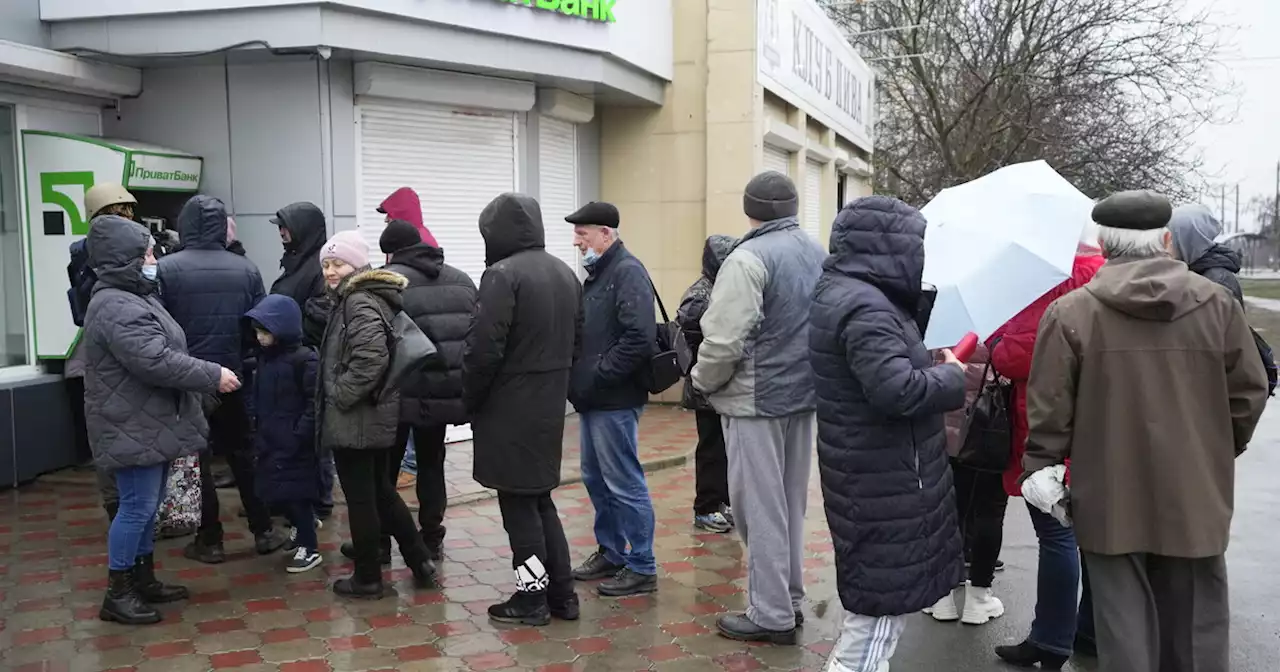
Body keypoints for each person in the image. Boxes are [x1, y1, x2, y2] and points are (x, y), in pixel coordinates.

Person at [1022, 190, 1269, 672]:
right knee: (1197, 628)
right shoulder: (1217, 306)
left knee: (1123, 630)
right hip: (1196, 492)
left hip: (1108, 495)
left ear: (1104, 243)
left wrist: (1044, 469)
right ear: (1164, 239)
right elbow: (1248, 394)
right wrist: (1214, 450)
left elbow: (1050, 413)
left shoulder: (1072, 314)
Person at [808, 196, 967, 670]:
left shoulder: (849, 293)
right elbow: (896, 390)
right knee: (877, 623)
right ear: (889, 248)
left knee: (875, 617)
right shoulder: (866, 307)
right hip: (884, 482)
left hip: (873, 474)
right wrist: (952, 375)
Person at [82, 215, 239, 625]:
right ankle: (119, 592)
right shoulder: (116, 304)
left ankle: (143, 579)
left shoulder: (135, 295)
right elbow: (154, 360)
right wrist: (212, 376)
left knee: (146, 509)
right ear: (124, 259)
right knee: (135, 508)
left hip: (145, 420)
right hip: (131, 424)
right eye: (147, 253)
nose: (154, 259)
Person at [692, 171, 827, 644]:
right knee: (790, 504)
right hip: (803, 395)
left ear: (750, 209)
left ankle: (771, 614)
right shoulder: (816, 252)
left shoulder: (748, 258)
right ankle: (788, 598)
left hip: (755, 399)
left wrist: (701, 381)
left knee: (757, 508)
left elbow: (725, 339)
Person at [988, 219, 1106, 668]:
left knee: (1056, 532)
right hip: (1098, 423)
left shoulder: (1054, 281)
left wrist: (998, 342)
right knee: (1094, 534)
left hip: (1048, 424)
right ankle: (1089, 631)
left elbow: (1023, 354)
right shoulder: (1106, 273)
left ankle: (1051, 640)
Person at [465, 193, 582, 625]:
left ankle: (531, 598)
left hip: (508, 408)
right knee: (539, 501)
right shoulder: (565, 273)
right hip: (549, 406)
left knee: (518, 507)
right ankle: (563, 595)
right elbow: (579, 342)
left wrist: (470, 400)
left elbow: (483, 350)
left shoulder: (501, 276)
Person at [337, 218, 477, 566]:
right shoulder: (461, 280)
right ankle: (431, 540)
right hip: (443, 392)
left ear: (389, 252)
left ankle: (381, 543)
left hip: (397, 393)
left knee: (384, 473)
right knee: (432, 465)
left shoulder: (387, 283)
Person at [159, 195, 284, 564]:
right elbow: (259, 323)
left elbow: (158, 326)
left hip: (185, 379)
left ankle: (210, 538)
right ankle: (262, 530)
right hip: (232, 376)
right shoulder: (244, 268)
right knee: (242, 454)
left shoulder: (166, 269)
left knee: (197, 459)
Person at [315, 231, 437, 598]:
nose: (331, 271)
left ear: (358, 265)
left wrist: (340, 394)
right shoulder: (357, 297)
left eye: (338, 263)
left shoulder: (359, 301)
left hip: (359, 415)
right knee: (382, 493)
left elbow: (370, 359)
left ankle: (368, 578)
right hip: (371, 413)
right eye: (326, 265)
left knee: (362, 499)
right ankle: (419, 559)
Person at [565, 201, 659, 598]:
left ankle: (641, 564)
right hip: (595, 399)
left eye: (582, 233)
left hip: (614, 399)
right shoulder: (600, 273)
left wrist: (598, 375)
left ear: (606, 233)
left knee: (623, 482)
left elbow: (639, 338)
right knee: (596, 478)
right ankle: (612, 551)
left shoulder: (627, 272)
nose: (576, 241)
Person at [68, 182, 140, 522]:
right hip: (131, 349)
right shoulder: (134, 246)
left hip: (99, 353)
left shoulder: (81, 251)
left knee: (109, 435)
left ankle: (120, 511)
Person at [927, 341, 1008, 625]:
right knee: (989, 513)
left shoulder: (946, 320)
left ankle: (942, 597)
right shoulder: (1004, 318)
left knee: (947, 512)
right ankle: (979, 598)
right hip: (989, 430)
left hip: (946, 432)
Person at [244, 294, 323, 574]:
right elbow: (257, 393)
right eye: (257, 331)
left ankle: (309, 546)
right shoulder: (264, 360)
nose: (260, 337)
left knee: (297, 494)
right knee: (277, 491)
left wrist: (299, 433)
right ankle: (302, 529)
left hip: (294, 443)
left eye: (265, 331)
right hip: (270, 438)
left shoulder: (304, 360)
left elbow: (314, 403)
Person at [269, 201, 335, 518]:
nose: (282, 233)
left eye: (286, 227)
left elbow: (321, 317)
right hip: (290, 361)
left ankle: (320, 500)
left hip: (309, 362)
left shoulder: (320, 268)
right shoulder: (296, 262)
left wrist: (288, 324)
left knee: (314, 434)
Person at [677, 234, 739, 533]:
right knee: (711, 448)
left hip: (722, 383)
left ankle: (722, 501)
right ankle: (706, 507)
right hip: (706, 386)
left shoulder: (722, 289)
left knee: (725, 448)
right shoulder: (701, 295)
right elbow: (694, 338)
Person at [1168, 204, 1243, 304]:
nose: (1167, 244)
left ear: (1187, 239)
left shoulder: (1218, 282)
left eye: (1171, 238)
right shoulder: (1190, 270)